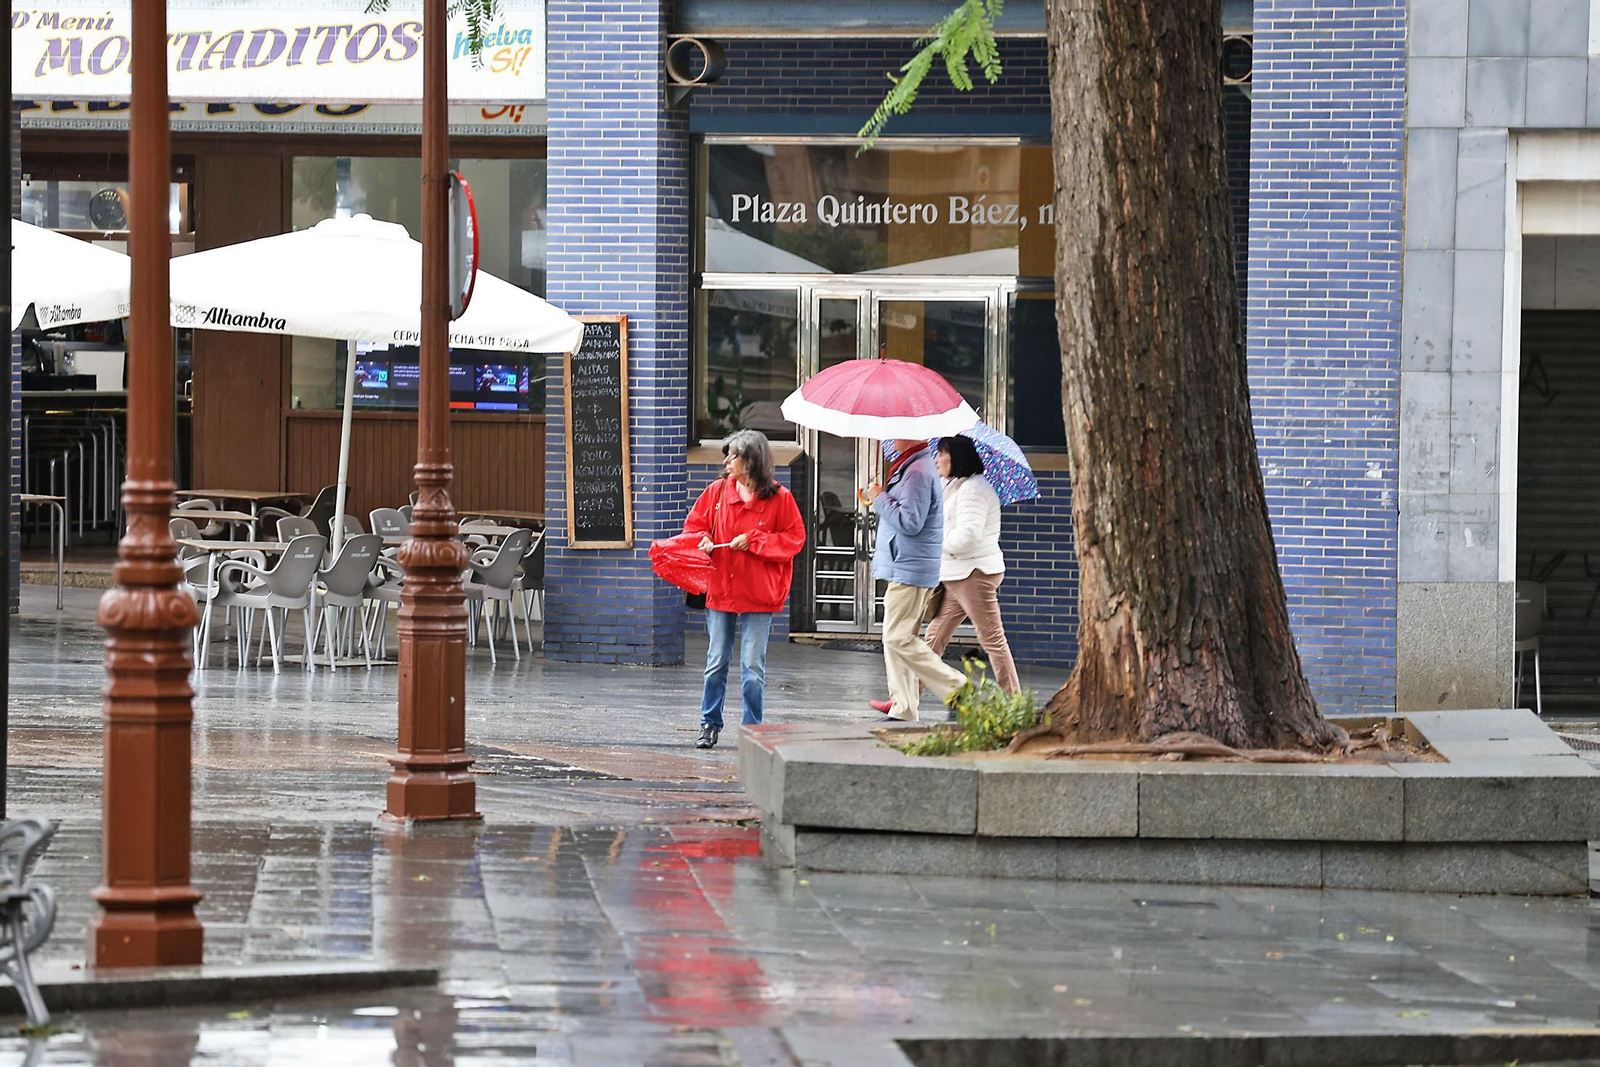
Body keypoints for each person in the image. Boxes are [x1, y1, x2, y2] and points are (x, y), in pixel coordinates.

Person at [683, 429, 806, 750]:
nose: (726, 461)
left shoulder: (781, 498)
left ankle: (752, 729)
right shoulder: (715, 493)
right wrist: (703, 542)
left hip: (760, 593)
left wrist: (755, 540)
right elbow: (694, 527)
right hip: (722, 588)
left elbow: (794, 539)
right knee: (716, 661)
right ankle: (709, 723)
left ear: (751, 461)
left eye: (733, 455)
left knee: (753, 668)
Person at [864, 438, 966, 722]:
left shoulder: (918, 471)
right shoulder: (911, 467)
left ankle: (956, 686)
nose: (892, 438)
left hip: (909, 566)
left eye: (897, 431)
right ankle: (903, 707)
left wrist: (880, 497)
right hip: (907, 564)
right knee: (895, 638)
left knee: (897, 638)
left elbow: (911, 521)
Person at [922, 435, 1021, 693]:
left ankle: (1015, 702)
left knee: (992, 639)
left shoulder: (974, 489)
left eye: (941, 453)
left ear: (956, 458)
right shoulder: (956, 486)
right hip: (959, 573)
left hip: (973, 574)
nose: (936, 459)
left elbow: (966, 538)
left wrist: (935, 539)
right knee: (934, 638)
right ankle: (905, 700)